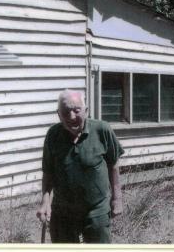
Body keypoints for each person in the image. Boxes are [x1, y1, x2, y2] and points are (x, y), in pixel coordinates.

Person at [36, 89, 124, 243]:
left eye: (77, 111)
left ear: (86, 111)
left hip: (96, 209)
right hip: (63, 210)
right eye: (65, 112)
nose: (71, 117)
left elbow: (114, 165)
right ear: (58, 114)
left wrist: (117, 198)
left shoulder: (102, 130)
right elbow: (48, 173)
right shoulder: (53, 135)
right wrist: (45, 202)